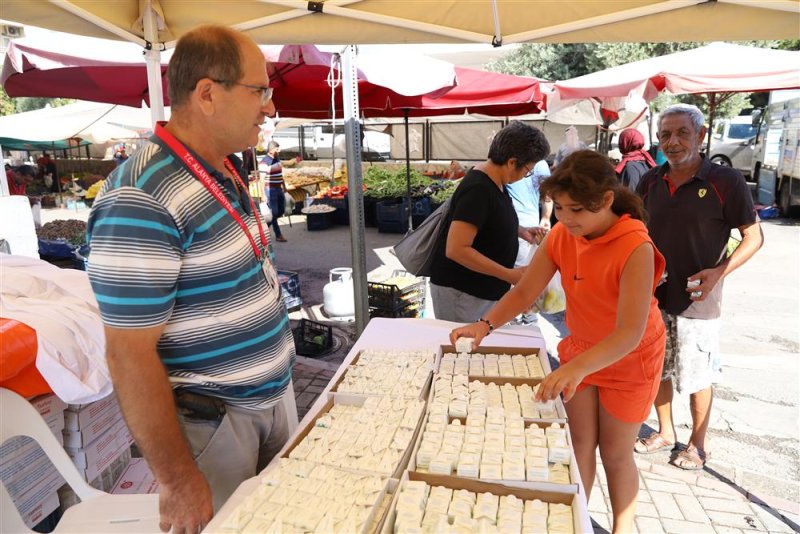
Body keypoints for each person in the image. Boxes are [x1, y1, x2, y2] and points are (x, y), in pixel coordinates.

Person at [85, 24, 293, 532]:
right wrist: (178, 481)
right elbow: (128, 354)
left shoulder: (220, 167)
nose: (269, 106)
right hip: (215, 424)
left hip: (271, 399)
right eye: (260, 90)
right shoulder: (141, 197)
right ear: (207, 94)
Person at [451, 150, 667, 532]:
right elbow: (523, 292)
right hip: (582, 348)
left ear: (605, 201)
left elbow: (629, 332)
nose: (566, 219)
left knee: (616, 453)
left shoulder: (636, 247)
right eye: (561, 209)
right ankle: (577, 521)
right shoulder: (562, 236)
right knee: (579, 443)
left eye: (576, 211)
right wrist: (484, 326)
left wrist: (575, 369)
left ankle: (622, 527)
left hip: (630, 357)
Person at [634, 103, 763, 470]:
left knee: (696, 372)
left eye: (682, 133)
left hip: (698, 300)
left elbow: (753, 237)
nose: (672, 142)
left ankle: (696, 445)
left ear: (701, 136)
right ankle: (664, 431)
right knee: (659, 366)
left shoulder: (726, 182)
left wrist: (718, 272)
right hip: (654, 296)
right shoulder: (650, 180)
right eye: (665, 135)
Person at [429, 121, 550, 323]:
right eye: (527, 170)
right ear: (512, 162)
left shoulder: (497, 183)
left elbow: (487, 222)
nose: (525, 176)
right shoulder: (479, 188)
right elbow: (456, 248)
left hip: (480, 292)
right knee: (463, 350)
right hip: (462, 293)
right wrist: (508, 274)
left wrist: (521, 231)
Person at [506, 159, 553, 324]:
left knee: (516, 278)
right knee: (527, 276)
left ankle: (515, 319)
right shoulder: (541, 164)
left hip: (517, 227)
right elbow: (548, 194)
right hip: (530, 226)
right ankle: (528, 319)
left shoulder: (509, 162)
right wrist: (546, 218)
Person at [260, 140, 287, 242]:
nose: (278, 151)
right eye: (277, 149)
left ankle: (265, 227)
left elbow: (280, 174)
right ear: (271, 150)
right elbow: (262, 180)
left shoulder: (277, 159)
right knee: (274, 213)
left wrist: (284, 186)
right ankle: (278, 235)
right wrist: (263, 195)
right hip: (270, 190)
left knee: (281, 210)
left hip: (279, 188)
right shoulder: (264, 162)